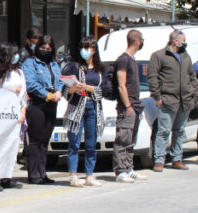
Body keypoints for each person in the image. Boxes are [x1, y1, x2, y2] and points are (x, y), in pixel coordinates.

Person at [148, 30, 198, 172]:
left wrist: (194, 95)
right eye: (183, 40)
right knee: (163, 131)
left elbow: (192, 77)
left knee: (179, 131)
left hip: (185, 101)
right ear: (175, 41)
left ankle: (177, 158)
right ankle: (159, 160)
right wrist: (157, 97)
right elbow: (152, 78)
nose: (185, 43)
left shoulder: (185, 56)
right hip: (168, 100)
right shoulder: (159, 55)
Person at [61, 37, 105, 188]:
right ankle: (73, 175)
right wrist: (74, 88)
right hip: (77, 108)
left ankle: (89, 175)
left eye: (88, 48)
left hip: (93, 107)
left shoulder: (99, 69)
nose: (85, 51)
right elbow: (65, 89)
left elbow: (104, 90)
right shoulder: (74, 66)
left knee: (91, 143)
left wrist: (89, 88)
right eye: (83, 47)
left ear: (94, 50)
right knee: (74, 141)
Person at [22, 35, 63, 185]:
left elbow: (59, 80)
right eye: (42, 48)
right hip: (38, 103)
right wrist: (48, 95)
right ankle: (33, 174)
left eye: (48, 49)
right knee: (35, 140)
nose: (45, 51)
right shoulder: (30, 63)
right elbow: (30, 83)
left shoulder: (53, 63)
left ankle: (42, 172)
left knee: (45, 140)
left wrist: (59, 91)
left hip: (52, 104)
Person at [0, 43, 27, 191]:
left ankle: (6, 177)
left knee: (12, 147)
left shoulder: (19, 73)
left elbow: (23, 94)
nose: (16, 57)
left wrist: (23, 112)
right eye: (14, 54)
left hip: (16, 116)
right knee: (0, 147)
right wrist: (10, 90)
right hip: (1, 116)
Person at [112, 30, 148, 183]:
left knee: (131, 140)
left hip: (135, 106)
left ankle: (129, 168)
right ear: (137, 41)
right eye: (142, 40)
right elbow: (121, 85)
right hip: (127, 106)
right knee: (123, 139)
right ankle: (120, 171)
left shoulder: (132, 59)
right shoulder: (123, 60)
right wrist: (127, 106)